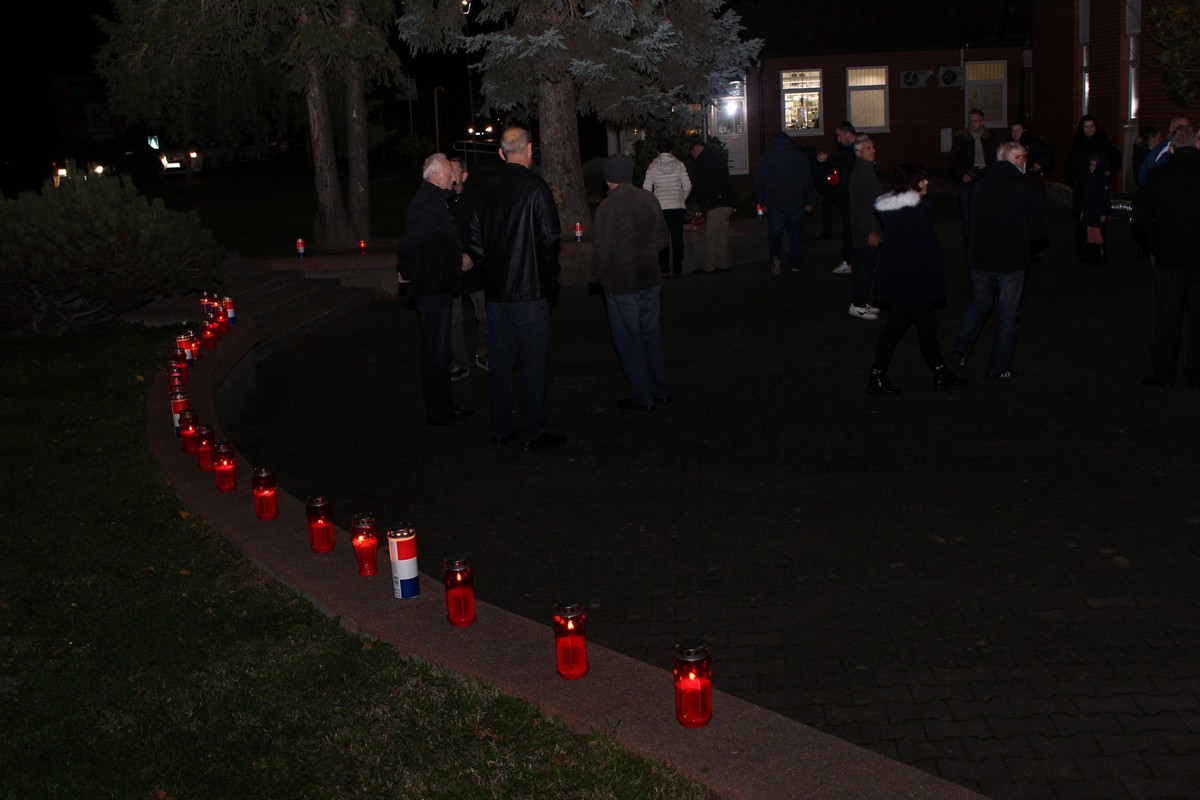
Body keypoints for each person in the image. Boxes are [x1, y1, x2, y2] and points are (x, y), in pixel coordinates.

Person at [468, 126, 565, 452]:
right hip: (531, 292)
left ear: (500, 153)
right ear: (529, 151)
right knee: (533, 363)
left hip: (497, 294)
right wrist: (550, 282)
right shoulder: (536, 188)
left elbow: (476, 242)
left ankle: (500, 428)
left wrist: (495, 269)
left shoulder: (487, 190)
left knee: (500, 363)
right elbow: (550, 239)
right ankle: (531, 432)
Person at [866, 164, 967, 396]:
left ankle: (940, 374)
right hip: (911, 284)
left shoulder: (902, 209)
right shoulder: (910, 213)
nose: (927, 183)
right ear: (914, 183)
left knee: (926, 328)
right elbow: (918, 250)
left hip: (908, 282)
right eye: (923, 180)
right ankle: (878, 376)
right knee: (896, 330)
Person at [951, 141, 1048, 380]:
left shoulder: (979, 186)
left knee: (979, 304)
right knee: (1007, 316)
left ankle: (959, 351)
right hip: (1011, 262)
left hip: (980, 259)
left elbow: (971, 221)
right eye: (1024, 157)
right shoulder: (1026, 190)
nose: (1026, 161)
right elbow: (1040, 229)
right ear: (1016, 160)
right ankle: (998, 367)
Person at [396, 153, 473, 427]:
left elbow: (439, 241)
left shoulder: (436, 199)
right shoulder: (426, 203)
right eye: (450, 174)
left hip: (438, 284)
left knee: (441, 350)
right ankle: (438, 411)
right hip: (432, 288)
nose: (454, 177)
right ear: (438, 176)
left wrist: (457, 257)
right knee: (435, 352)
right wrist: (407, 271)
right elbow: (410, 242)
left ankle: (446, 405)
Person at [591, 153, 672, 411]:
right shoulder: (648, 198)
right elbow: (662, 238)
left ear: (607, 179)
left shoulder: (608, 206)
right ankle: (661, 391)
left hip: (623, 283)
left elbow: (602, 249)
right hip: (650, 278)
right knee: (651, 336)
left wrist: (595, 275)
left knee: (629, 340)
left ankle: (642, 397)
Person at [1136, 124, 1200, 390]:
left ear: (1171, 148)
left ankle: (1164, 372)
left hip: (1169, 256)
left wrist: (1154, 244)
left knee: (1167, 317)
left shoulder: (1158, 176)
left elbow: (1140, 218)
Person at [447, 156, 488, 376]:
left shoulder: (476, 199)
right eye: (448, 172)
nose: (451, 176)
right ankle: (460, 363)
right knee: (453, 319)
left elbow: (484, 231)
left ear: (464, 175)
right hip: (452, 268)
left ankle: (484, 354)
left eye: (454, 172)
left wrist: (472, 255)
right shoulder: (442, 200)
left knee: (485, 314)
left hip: (475, 268)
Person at [754, 131, 815, 275]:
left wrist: (762, 201)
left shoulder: (767, 156)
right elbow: (807, 179)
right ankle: (795, 264)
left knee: (775, 234)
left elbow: (759, 181)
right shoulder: (799, 155)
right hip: (795, 201)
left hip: (774, 202)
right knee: (795, 235)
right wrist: (809, 201)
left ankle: (775, 257)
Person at [1065, 115, 1121, 259]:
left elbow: (1116, 157)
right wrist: (1075, 179)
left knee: (1099, 219)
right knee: (1082, 219)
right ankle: (1081, 251)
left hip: (1098, 186)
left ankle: (1098, 250)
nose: (1090, 129)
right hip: (1083, 186)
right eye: (1086, 127)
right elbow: (1069, 165)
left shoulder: (1103, 141)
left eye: (1092, 126)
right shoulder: (1077, 144)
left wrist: (1109, 173)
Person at [949, 108, 998, 253]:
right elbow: (953, 162)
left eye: (975, 120)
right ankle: (970, 248)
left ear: (982, 122)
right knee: (967, 216)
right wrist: (962, 174)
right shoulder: (962, 139)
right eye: (970, 120)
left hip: (985, 178)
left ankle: (986, 245)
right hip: (968, 178)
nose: (972, 123)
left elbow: (996, 160)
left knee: (987, 213)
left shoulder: (991, 139)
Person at [642, 138, 691, 279]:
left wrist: (652, 203)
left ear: (657, 151)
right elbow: (687, 186)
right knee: (677, 239)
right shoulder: (680, 165)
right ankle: (677, 269)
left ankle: (664, 270)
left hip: (660, 208)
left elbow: (646, 188)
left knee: (662, 239)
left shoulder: (652, 166)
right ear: (671, 151)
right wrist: (681, 198)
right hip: (677, 207)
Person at [847, 134, 882, 319]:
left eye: (872, 147)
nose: (873, 150)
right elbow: (862, 206)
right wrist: (871, 229)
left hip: (868, 228)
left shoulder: (867, 170)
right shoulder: (861, 173)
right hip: (864, 231)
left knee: (867, 266)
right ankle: (857, 303)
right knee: (863, 266)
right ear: (859, 153)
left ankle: (862, 301)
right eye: (868, 148)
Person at [688, 139, 735, 274]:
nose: (693, 158)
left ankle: (709, 265)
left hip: (715, 203)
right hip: (726, 201)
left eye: (693, 154)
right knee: (721, 233)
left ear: (696, 149)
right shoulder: (716, 158)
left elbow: (699, 183)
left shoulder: (704, 161)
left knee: (711, 234)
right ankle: (722, 262)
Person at [817, 121, 857, 273]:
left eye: (840, 136)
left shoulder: (859, 147)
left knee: (852, 227)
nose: (838, 140)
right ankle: (850, 260)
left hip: (855, 194)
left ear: (847, 134)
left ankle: (852, 261)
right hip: (847, 191)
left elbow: (849, 162)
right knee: (848, 226)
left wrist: (829, 158)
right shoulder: (848, 148)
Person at [1137, 116, 1190, 186]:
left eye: (1186, 130)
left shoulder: (1193, 149)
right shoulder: (1163, 150)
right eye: (1178, 129)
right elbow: (1144, 174)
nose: (1182, 134)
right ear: (1170, 130)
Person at [1078, 155, 1112, 265]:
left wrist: (1103, 213)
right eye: (1090, 164)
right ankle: (1091, 256)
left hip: (1097, 211)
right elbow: (1085, 196)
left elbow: (1104, 198)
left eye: (1094, 165)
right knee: (1090, 233)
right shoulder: (1090, 178)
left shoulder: (1102, 180)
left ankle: (1101, 256)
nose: (1091, 167)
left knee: (1096, 233)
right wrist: (1083, 210)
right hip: (1089, 210)